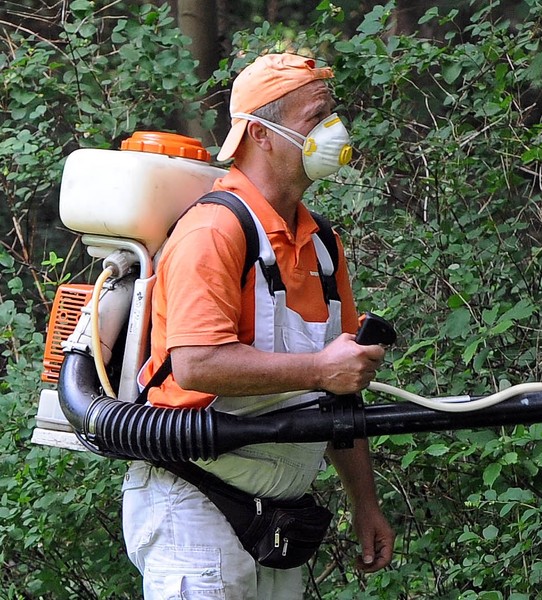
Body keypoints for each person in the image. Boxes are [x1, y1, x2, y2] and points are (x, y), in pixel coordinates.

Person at [121, 53, 395, 599]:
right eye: (316, 117)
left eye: (332, 114)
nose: (333, 131)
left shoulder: (321, 244)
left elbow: (341, 391)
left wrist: (365, 502)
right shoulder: (214, 231)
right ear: (260, 134)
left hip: (275, 519)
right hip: (194, 508)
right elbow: (197, 363)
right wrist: (320, 369)